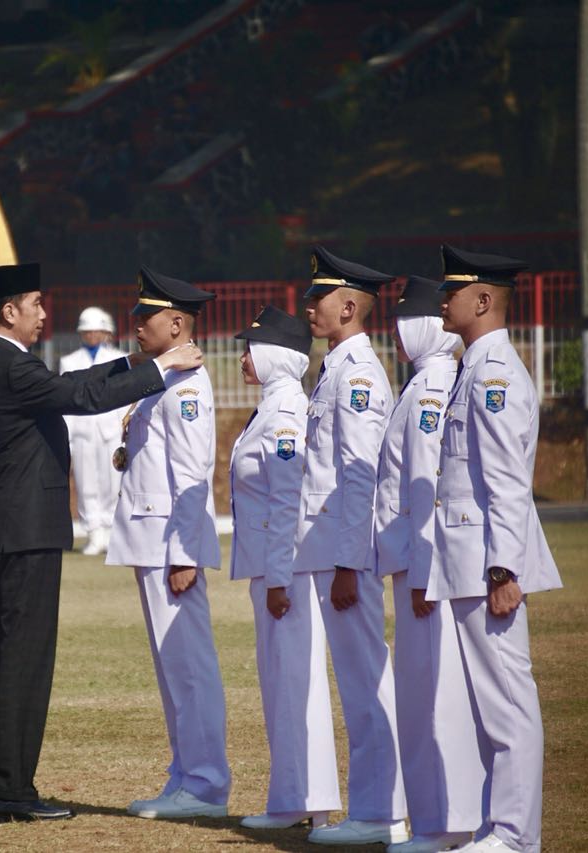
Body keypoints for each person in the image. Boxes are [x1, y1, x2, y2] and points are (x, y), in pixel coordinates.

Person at [0, 262, 204, 824]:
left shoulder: (7, 359)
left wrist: (140, 362)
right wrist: (160, 364)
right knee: (25, 661)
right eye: (36, 304)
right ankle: (9, 791)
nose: (45, 314)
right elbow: (77, 396)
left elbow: (74, 386)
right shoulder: (4, 360)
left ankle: (11, 786)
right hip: (25, 530)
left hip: (25, 528)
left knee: (24, 659)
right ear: (9, 312)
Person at [428, 246, 563, 853]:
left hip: (487, 562)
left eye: (452, 291)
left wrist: (504, 567)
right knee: (490, 704)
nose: (441, 300)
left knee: (508, 701)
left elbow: (508, 479)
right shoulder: (474, 366)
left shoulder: (495, 373)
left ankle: (514, 835)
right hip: (467, 558)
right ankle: (496, 827)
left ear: (483, 301)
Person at [106, 267, 229, 821]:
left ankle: (204, 783)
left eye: (145, 315)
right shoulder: (163, 377)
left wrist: (185, 551)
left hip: (168, 544)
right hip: (152, 540)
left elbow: (192, 471)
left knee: (188, 665)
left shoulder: (186, 384)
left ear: (177, 323)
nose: (134, 324)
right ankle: (186, 774)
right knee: (171, 667)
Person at [296, 247, 408, 847]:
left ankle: (381, 813)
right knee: (358, 682)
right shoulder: (336, 367)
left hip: (347, 556)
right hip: (333, 550)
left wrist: (346, 562)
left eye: (317, 298)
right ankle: (375, 809)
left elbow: (361, 474)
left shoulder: (358, 373)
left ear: (347, 305)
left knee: (366, 683)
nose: (308, 307)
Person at [375, 277, 484, 853]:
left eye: (401, 325)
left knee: (431, 701)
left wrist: (424, 574)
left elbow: (428, 490)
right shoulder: (423, 385)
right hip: (417, 568)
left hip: (425, 572)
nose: (393, 337)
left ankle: (446, 825)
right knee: (422, 700)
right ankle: (439, 823)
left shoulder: (428, 390)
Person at [228, 306, 342, 830]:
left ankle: (316, 804)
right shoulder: (270, 407)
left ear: (276, 355)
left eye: (251, 348)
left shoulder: (287, 412)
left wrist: (278, 577)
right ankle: (291, 797)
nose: (242, 357)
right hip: (270, 569)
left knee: (298, 682)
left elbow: (287, 501)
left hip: (287, 572)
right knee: (280, 683)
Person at [59, 306, 127, 555]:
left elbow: (124, 396)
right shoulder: (69, 361)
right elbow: (66, 399)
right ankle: (94, 533)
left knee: (112, 482)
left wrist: (124, 430)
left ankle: (110, 530)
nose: (90, 335)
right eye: (86, 331)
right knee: (87, 482)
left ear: (105, 332)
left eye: (95, 331)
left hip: (110, 431)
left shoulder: (119, 358)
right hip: (82, 431)